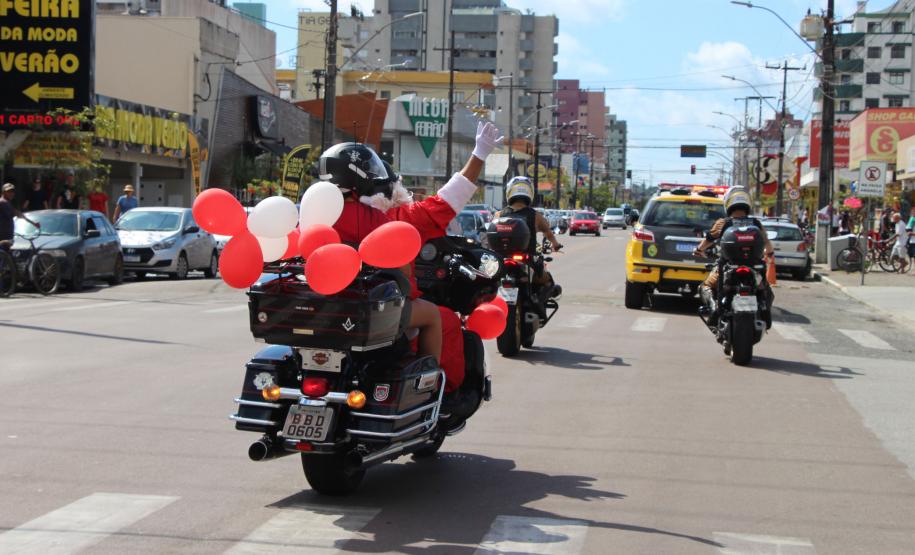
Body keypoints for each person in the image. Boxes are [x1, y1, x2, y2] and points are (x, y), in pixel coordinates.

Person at [360, 122, 503, 408]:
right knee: (444, 319)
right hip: (384, 308)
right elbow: (448, 201)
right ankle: (439, 393)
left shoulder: (330, 214)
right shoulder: (399, 217)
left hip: (332, 308)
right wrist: (479, 154)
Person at [317, 142, 443, 365]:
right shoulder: (371, 217)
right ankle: (431, 377)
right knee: (433, 315)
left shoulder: (315, 214)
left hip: (320, 305)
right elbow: (404, 269)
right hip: (367, 308)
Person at [694, 187, 775, 327]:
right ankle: (765, 311)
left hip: (728, 267)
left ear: (728, 204)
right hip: (754, 268)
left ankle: (715, 308)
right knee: (766, 290)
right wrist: (769, 254)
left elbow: (708, 240)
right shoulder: (756, 223)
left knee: (705, 286)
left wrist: (698, 250)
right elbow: (767, 243)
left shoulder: (723, 223)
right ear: (747, 204)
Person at [494, 176, 563, 301]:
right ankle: (537, 304)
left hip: (501, 262)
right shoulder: (536, 216)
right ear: (530, 192)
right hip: (528, 260)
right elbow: (548, 232)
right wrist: (555, 244)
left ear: (509, 191)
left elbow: (488, 235)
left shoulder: (499, 215)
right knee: (548, 282)